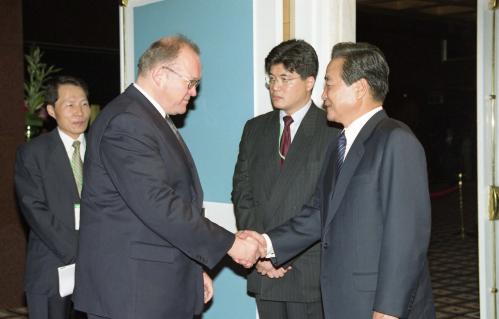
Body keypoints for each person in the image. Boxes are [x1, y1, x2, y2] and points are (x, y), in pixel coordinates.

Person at [73, 35, 261, 319]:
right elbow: (158, 204)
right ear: (160, 74)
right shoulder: (128, 122)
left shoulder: (148, 118)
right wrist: (231, 244)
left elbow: (168, 206)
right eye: (190, 83)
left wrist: (191, 270)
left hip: (153, 286)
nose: (194, 92)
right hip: (133, 295)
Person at [243, 42, 436, 319]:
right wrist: (266, 243)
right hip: (344, 300)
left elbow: (407, 236)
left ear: (359, 88)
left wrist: (388, 309)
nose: (323, 96)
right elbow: (319, 213)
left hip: (378, 306)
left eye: (329, 86)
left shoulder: (395, 140)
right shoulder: (340, 144)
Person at [232, 39, 337, 319]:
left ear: (309, 81)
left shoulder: (332, 132)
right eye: (272, 79)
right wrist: (259, 251)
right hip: (264, 269)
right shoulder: (254, 129)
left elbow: (326, 207)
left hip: (307, 270)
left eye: (285, 79)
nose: (275, 87)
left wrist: (279, 251)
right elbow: (242, 192)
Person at [14, 75, 91, 319]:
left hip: (98, 271)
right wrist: (80, 251)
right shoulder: (33, 153)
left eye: (84, 103)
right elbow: (34, 209)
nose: (79, 112)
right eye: (70, 105)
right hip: (52, 266)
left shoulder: (104, 151)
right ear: (51, 110)